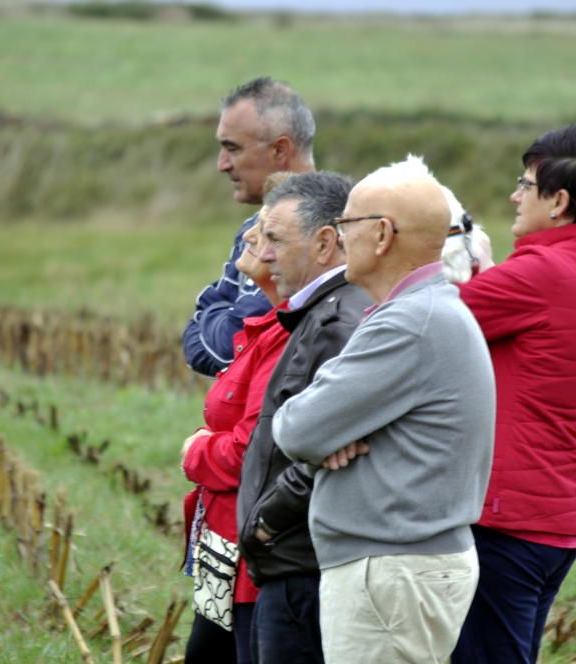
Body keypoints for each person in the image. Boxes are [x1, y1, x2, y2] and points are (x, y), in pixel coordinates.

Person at [272, 155, 496, 664]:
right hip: (397, 569)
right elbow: (317, 426)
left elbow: (297, 428)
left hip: (392, 574)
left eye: (345, 223)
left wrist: (323, 434)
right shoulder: (423, 312)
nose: (338, 236)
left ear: (381, 234)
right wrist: (329, 431)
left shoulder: (408, 325)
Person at [451, 125, 576, 664]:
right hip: (554, 519)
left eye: (524, 184)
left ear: (559, 202)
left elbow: (425, 320)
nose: (514, 196)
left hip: (509, 519)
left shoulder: (539, 273)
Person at [236, 171, 371, 664]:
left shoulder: (338, 322)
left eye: (275, 238)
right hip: (292, 561)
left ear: (325, 243)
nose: (262, 252)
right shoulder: (319, 311)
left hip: (301, 565)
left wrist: (265, 523)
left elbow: (326, 450)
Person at [180, 175, 294, 664]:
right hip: (225, 538)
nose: (248, 238)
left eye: (268, 233)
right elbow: (201, 333)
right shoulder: (264, 322)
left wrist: (196, 450)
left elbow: (250, 452)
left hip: (253, 540)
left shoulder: (285, 334)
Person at [183, 76, 317, 376]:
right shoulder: (252, 227)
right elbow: (198, 340)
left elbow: (226, 350)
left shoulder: (313, 235)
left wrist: (214, 319)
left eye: (233, 149)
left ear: (280, 151)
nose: (222, 164)